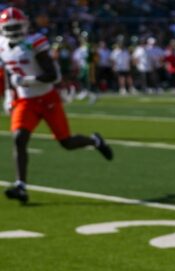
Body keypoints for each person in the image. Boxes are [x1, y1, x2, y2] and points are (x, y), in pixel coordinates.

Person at [0, 7, 113, 204]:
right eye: (10, 28)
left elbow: (54, 76)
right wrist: (9, 95)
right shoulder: (1, 45)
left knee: (66, 142)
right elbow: (10, 73)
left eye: (16, 27)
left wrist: (25, 80)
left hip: (47, 99)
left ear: (25, 25)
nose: (13, 31)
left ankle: (95, 141)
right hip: (25, 101)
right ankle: (21, 186)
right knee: (19, 138)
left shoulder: (34, 42)